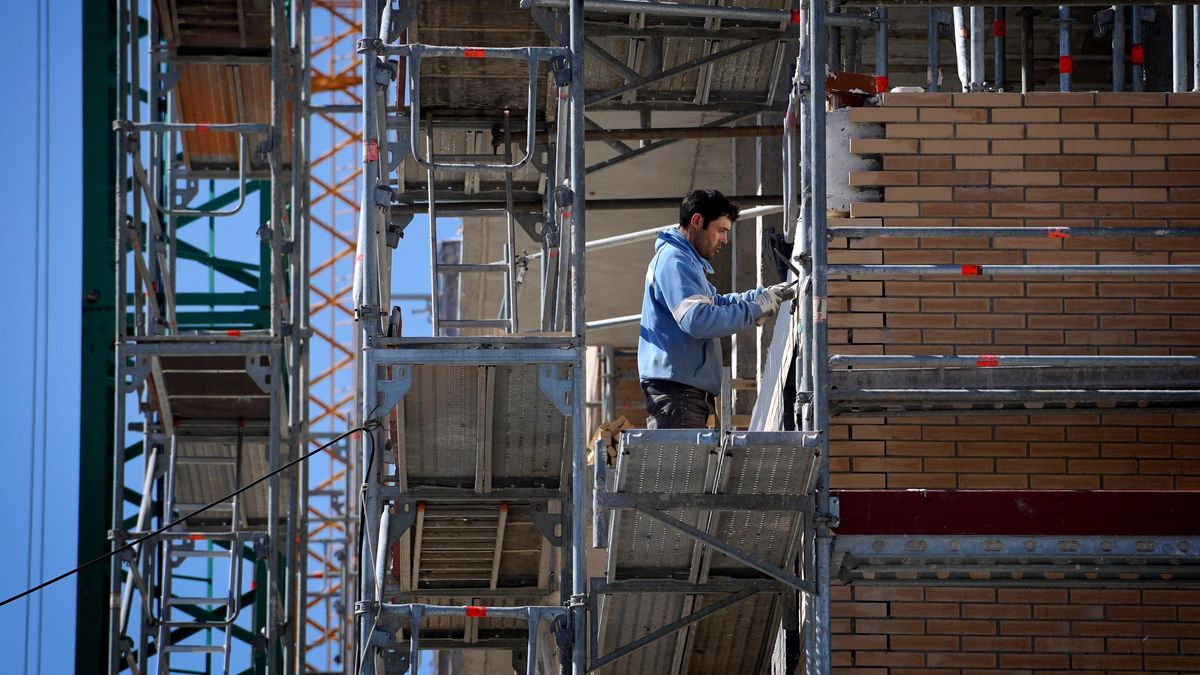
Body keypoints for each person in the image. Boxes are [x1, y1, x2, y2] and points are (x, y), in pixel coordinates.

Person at [637, 189, 795, 429]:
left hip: (683, 393)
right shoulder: (674, 260)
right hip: (678, 394)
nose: (725, 240)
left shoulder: (686, 261)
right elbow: (697, 320)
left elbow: (715, 303)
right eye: (721, 230)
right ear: (697, 221)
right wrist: (755, 308)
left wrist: (760, 297)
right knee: (686, 456)